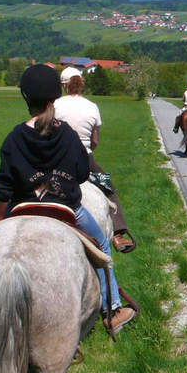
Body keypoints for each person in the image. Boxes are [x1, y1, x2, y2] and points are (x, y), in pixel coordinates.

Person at [0, 64, 136, 336]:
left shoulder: (15, 137)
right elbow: (83, 173)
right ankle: (112, 310)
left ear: (26, 98)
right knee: (102, 248)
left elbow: (3, 186)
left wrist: (0, 221)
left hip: (21, 209)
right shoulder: (68, 136)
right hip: (67, 210)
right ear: (55, 97)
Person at [55, 67, 136, 253]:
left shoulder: (55, 106)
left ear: (64, 86)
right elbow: (95, 140)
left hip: (57, 159)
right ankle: (117, 234)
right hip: (85, 160)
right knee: (108, 188)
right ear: (80, 84)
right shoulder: (92, 107)